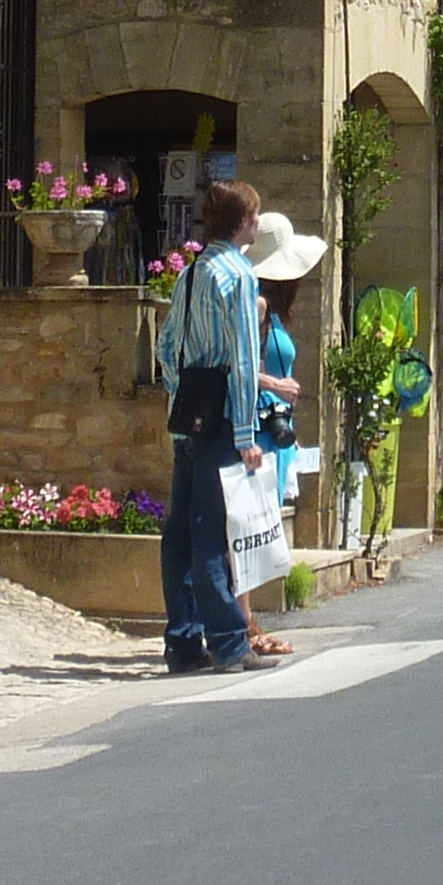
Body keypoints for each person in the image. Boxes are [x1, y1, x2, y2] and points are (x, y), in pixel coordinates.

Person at [154, 177, 283, 674]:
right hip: (223, 417)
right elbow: (244, 361)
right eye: (254, 215)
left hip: (188, 412)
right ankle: (229, 642)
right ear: (245, 222)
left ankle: (183, 643)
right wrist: (247, 433)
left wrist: (180, 392)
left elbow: (167, 346)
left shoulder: (190, 273)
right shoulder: (239, 275)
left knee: (180, 534)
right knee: (211, 532)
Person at [238, 207, 330, 658]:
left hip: (272, 433)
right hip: (258, 432)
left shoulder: (268, 310)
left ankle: (248, 624)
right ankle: (246, 626)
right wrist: (274, 383)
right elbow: (238, 365)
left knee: (256, 531)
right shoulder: (256, 307)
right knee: (247, 532)